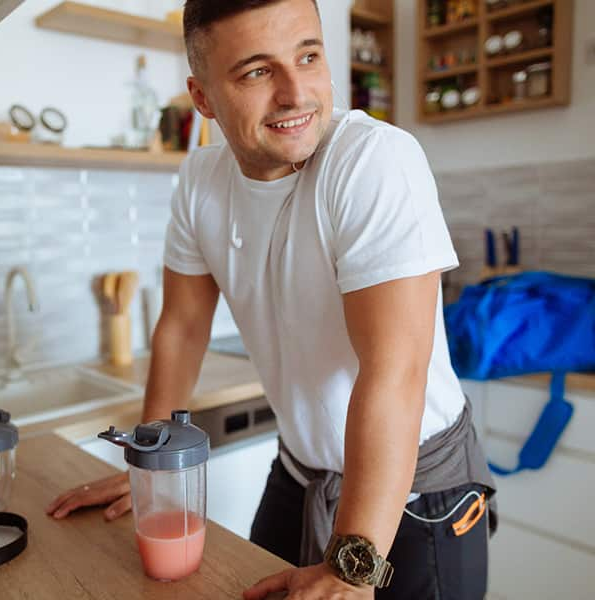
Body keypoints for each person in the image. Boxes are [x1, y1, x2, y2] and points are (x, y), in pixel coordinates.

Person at [46, 1, 497, 598]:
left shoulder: (372, 160)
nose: (295, 93)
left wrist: (349, 568)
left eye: (307, 56)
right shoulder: (200, 182)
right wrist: (150, 462)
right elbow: (182, 326)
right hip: (300, 472)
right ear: (203, 98)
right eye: (257, 71)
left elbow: (394, 373)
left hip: (416, 494)